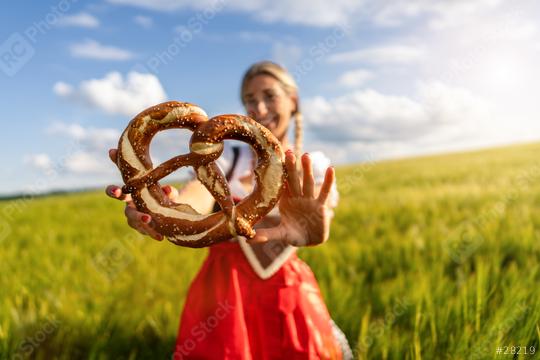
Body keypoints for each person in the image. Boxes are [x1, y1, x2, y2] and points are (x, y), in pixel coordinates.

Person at [106, 61, 352, 359]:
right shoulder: (225, 159)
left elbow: (321, 217)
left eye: (270, 96)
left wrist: (315, 230)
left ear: (293, 100)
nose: (259, 108)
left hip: (285, 290)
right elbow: (194, 199)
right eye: (250, 100)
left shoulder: (313, 166)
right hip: (222, 293)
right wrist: (161, 212)